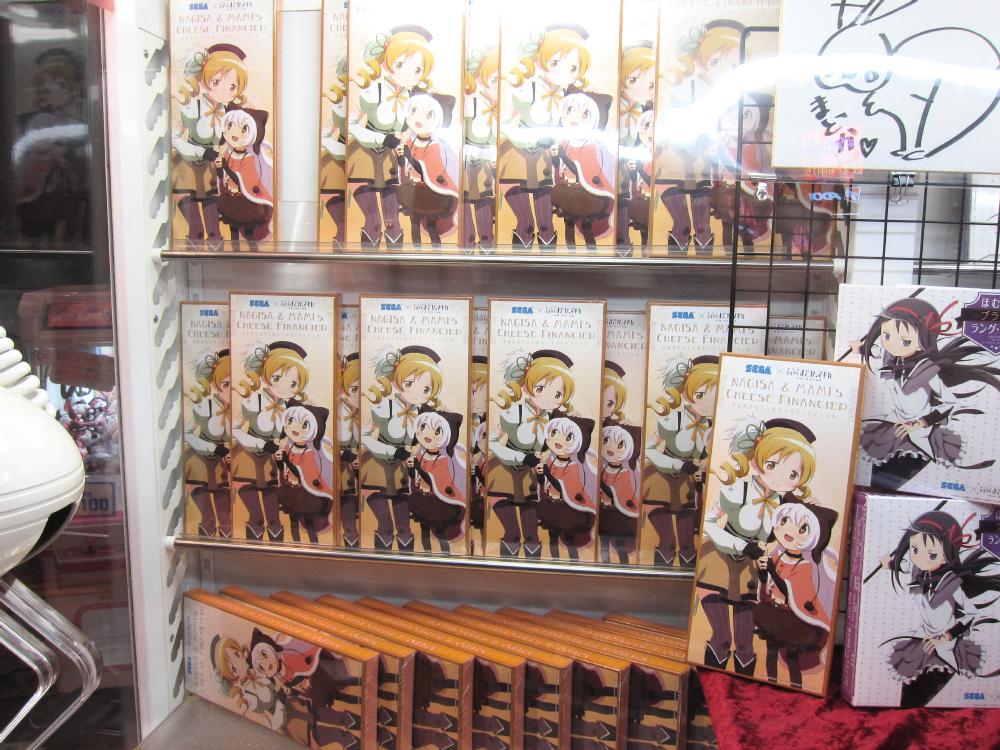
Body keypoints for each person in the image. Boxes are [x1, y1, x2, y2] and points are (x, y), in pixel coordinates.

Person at [696, 418, 817, 676]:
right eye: (772, 465)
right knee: (721, 637)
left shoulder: (786, 508)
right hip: (718, 563)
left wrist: (772, 551)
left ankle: (741, 691)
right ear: (758, 459)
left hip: (751, 573)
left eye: (793, 474)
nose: (780, 479)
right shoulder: (737, 490)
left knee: (745, 645)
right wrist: (739, 544)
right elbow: (707, 523)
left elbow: (783, 543)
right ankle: (708, 684)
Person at [878, 510, 1000, 707]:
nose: (920, 558)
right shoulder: (918, 572)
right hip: (923, 638)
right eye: (915, 549)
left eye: (932, 554)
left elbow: (971, 613)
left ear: (946, 557)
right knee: (910, 687)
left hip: (945, 642)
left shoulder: (951, 583)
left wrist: (948, 635)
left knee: (930, 685)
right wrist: (890, 563)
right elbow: (905, 566)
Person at [501, 25, 592, 248]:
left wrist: (559, 143)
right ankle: (516, 265)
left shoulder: (569, 97)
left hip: (545, 161)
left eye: (573, 68)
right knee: (525, 222)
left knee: (546, 224)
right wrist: (527, 140)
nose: (564, 73)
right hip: (517, 158)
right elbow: (504, 124)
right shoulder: (527, 89)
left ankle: (551, 266)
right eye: (555, 63)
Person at [349, 26, 435, 247]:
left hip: (392, 161)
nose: (408, 75)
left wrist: (406, 138)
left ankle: (396, 267)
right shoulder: (372, 92)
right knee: (373, 222)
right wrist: (381, 139)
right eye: (401, 65)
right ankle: (366, 267)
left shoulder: (414, 99)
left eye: (417, 70)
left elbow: (413, 128)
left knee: (393, 222)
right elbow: (351, 125)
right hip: (365, 159)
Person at [488, 350, 575, 557]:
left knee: (531, 534)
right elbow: (492, 442)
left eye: (557, 394)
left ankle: (533, 565)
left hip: (533, 473)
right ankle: (504, 567)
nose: (547, 399)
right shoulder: (514, 413)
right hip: (505, 469)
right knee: (511, 532)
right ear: (527, 386)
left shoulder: (555, 421)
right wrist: (518, 457)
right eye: (540, 388)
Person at [362, 345, 443, 551]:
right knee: (385, 525)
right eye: (409, 384)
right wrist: (390, 451)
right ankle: (379, 564)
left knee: (404, 526)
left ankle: (410, 563)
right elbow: (364, 436)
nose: (417, 393)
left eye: (425, 389)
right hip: (377, 467)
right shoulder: (385, 407)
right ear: (397, 381)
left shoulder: (425, 415)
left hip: (404, 471)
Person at [753, 500, 838, 689]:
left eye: (802, 529)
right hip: (772, 612)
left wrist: (772, 570)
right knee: (771, 653)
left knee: (792, 658)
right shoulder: (777, 555)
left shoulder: (805, 566)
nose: (789, 531)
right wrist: (763, 572)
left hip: (793, 620)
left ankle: (795, 686)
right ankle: (769, 683)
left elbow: (789, 590)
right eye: (785, 521)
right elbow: (767, 584)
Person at [233, 342, 310, 542]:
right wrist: (259, 444)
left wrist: (284, 443)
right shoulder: (253, 402)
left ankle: (279, 549)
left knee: (274, 517)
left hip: (274, 463)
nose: (284, 389)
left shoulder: (293, 409)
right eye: (277, 379)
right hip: (249, 459)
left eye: (292, 384)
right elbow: (234, 429)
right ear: (265, 376)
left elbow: (298, 435)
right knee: (255, 516)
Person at [172, 44, 249, 244]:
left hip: (210, 173)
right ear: (204, 80)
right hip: (186, 172)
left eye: (232, 87)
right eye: (217, 82)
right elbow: (174, 138)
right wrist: (201, 152)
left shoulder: (229, 113)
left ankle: (219, 262)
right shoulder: (192, 107)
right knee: (195, 230)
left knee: (215, 232)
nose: (225, 91)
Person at [185, 349, 232, 538]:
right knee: (208, 518)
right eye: (226, 384)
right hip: (199, 464)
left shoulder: (243, 408)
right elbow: (186, 434)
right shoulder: (204, 406)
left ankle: (227, 550)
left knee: (226, 519)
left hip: (222, 466)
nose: (230, 390)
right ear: (215, 383)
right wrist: (211, 447)